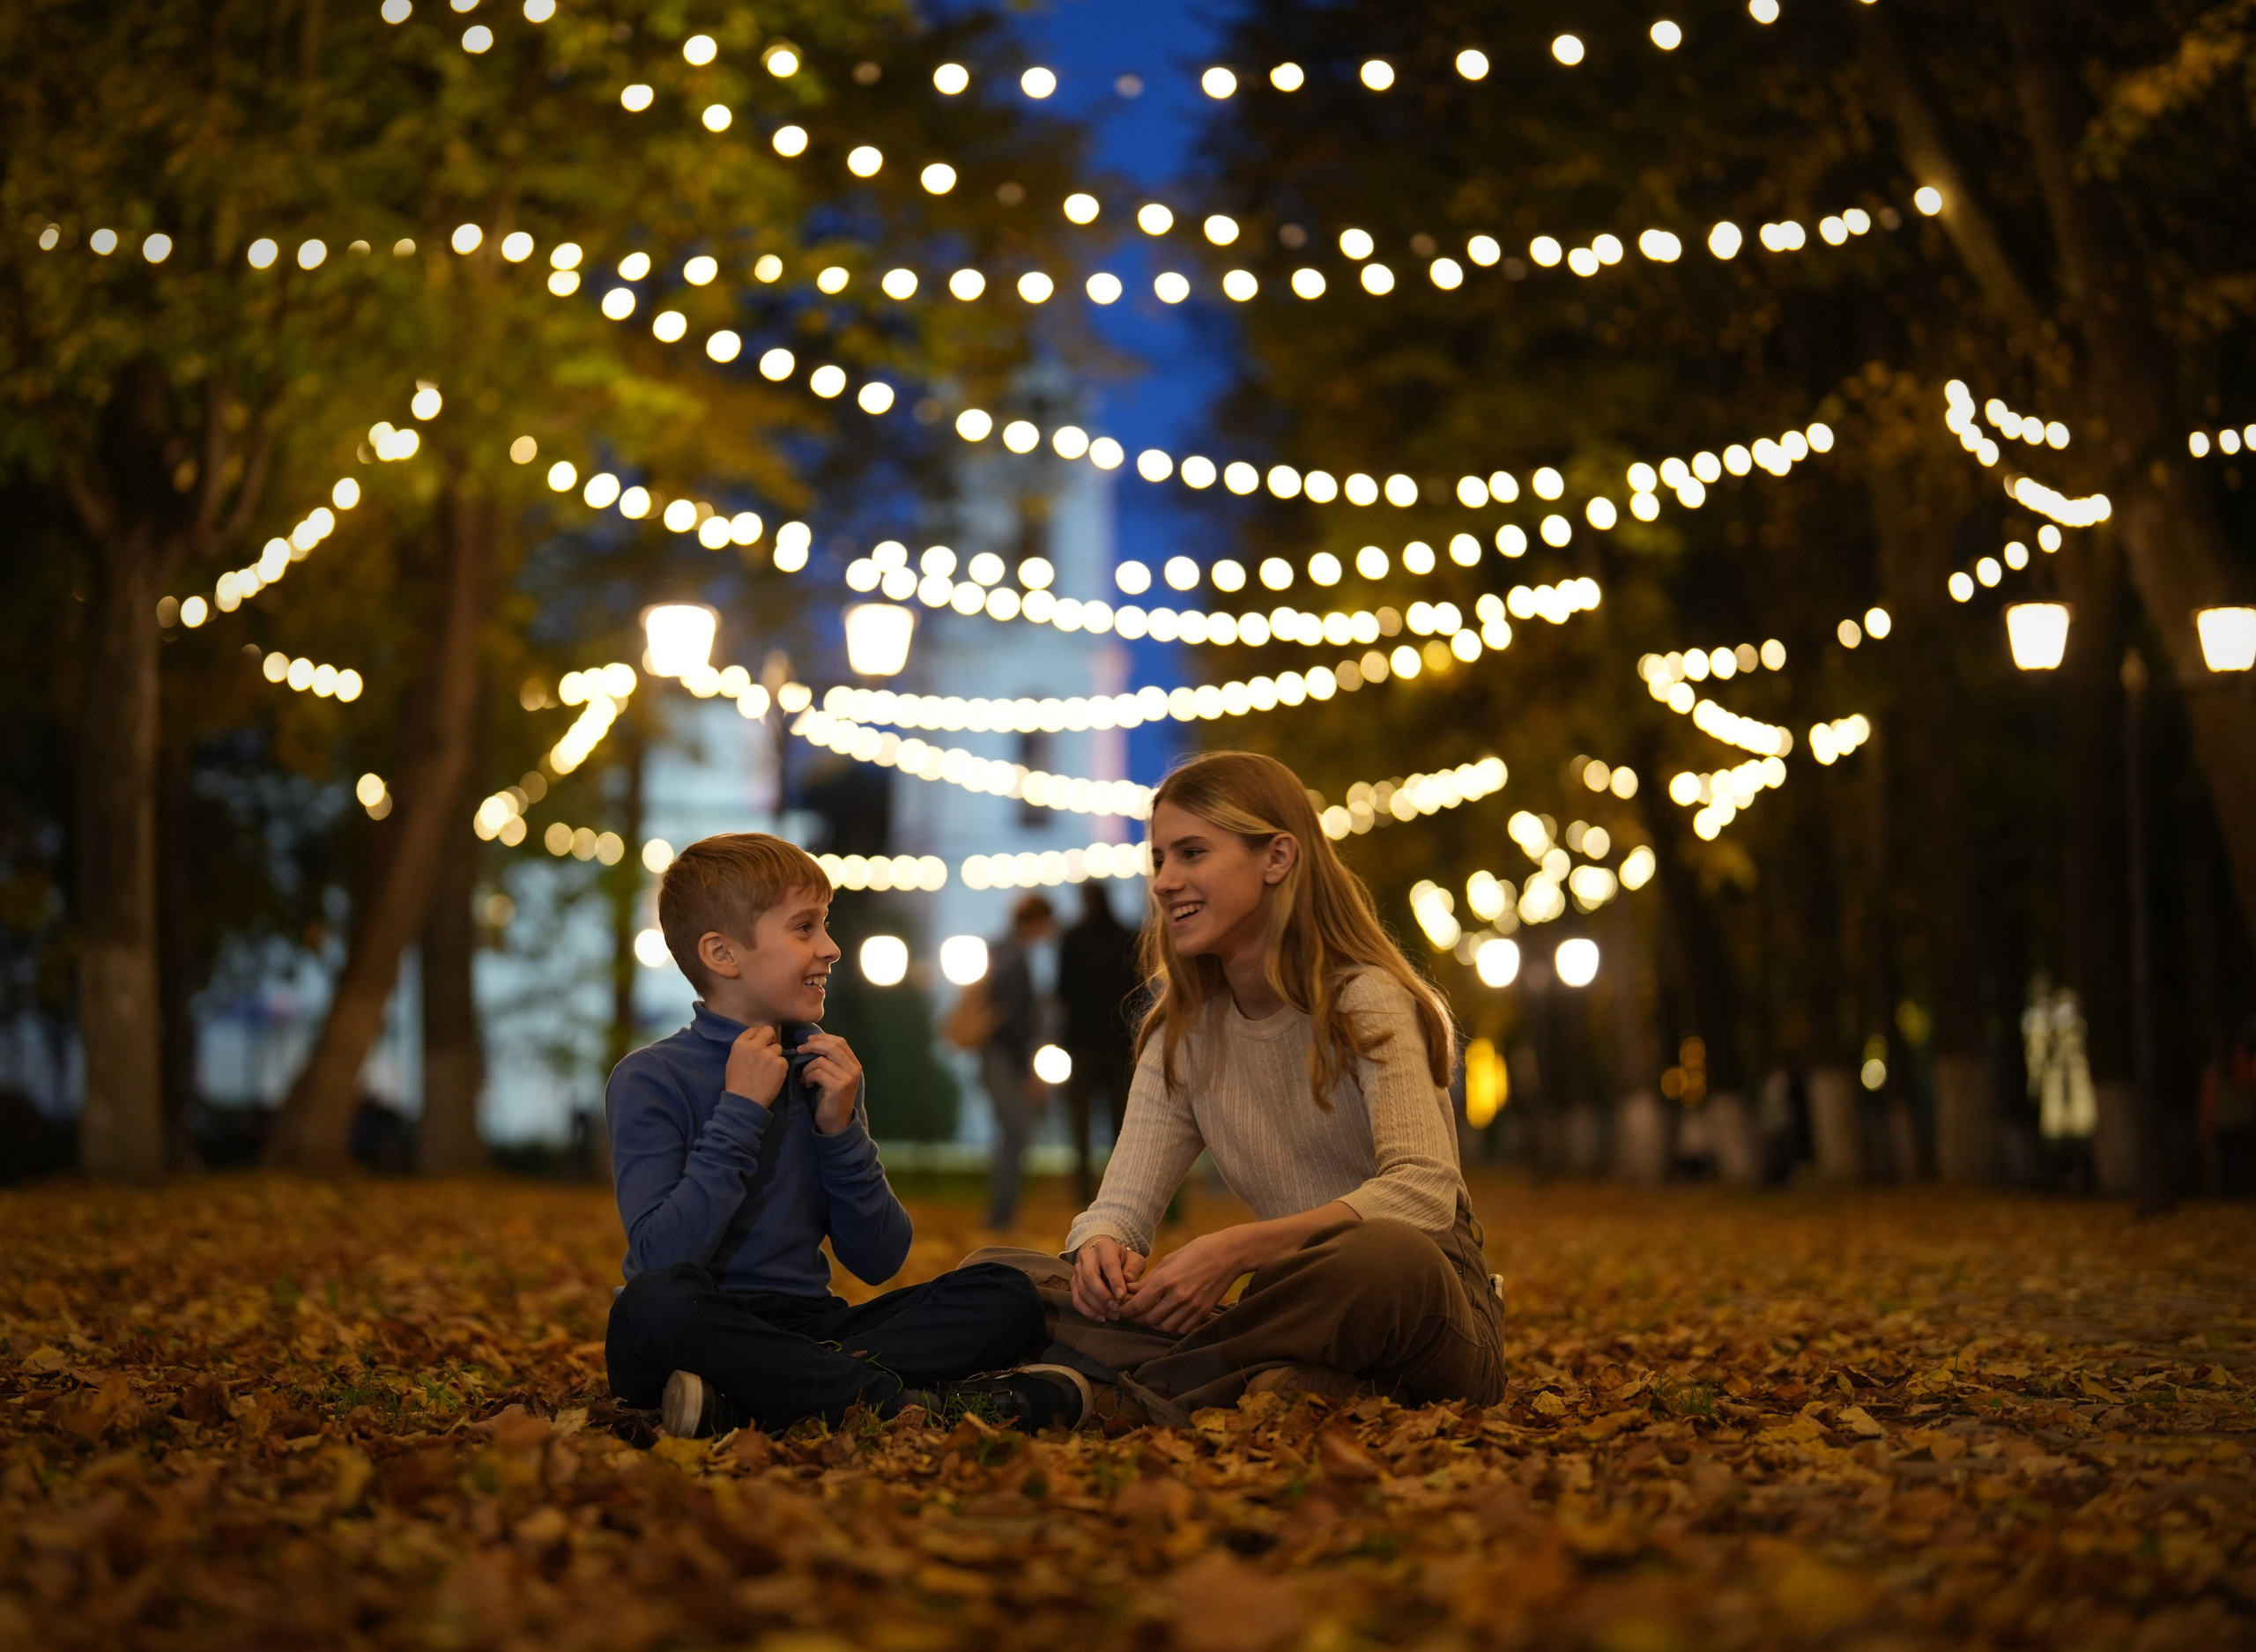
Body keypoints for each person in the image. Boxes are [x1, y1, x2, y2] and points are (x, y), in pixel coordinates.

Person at [968, 752, 1504, 1419]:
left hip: (1422, 1307)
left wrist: (1235, 1249)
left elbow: (1423, 1190)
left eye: (1192, 853)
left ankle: (1124, 1394)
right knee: (1000, 1274)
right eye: (1159, 859)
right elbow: (1122, 1205)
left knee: (1385, 1254)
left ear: (1276, 857)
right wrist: (1099, 1247)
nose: (1165, 882)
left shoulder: (1365, 998)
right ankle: (1277, 1381)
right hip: (1282, 1313)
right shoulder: (1183, 1033)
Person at [604, 833, 1090, 1437]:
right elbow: (661, 1257)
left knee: (1007, 1294)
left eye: (825, 925)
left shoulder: (823, 1069)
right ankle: (904, 1402)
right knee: (653, 1305)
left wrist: (841, 1134)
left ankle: (752, 1398)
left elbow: (880, 1259)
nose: (831, 948)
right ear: (723, 954)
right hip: (696, 1323)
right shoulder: (651, 1078)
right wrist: (739, 1111)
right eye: (804, 927)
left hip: (810, 1326)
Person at [1057, 880, 1142, 1204]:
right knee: (1122, 1127)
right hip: (1120, 1045)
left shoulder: (1072, 938)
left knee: (1081, 1126)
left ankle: (1083, 1195)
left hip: (1081, 1044)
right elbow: (1138, 992)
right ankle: (1120, 1195)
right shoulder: (1128, 937)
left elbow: (1063, 990)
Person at [981, 893, 1055, 1229]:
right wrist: (1028, 1070)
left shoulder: (999, 950)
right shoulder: (1015, 958)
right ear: (1036, 922)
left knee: (1008, 1131)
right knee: (1015, 1132)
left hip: (993, 1054)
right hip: (1006, 1058)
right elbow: (1014, 1022)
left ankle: (1002, 1210)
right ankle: (1002, 1212)